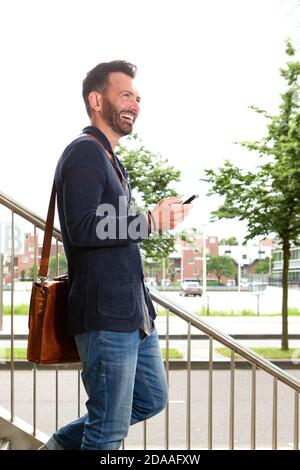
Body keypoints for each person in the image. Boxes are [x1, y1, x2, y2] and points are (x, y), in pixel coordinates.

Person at [42, 60, 193, 450]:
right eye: (125, 94)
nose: (135, 104)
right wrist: (149, 220)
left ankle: (58, 446)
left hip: (132, 315)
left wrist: (153, 220)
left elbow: (112, 228)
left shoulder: (111, 159)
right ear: (96, 100)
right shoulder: (84, 153)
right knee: (108, 433)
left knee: (150, 398)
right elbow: (83, 226)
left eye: (138, 98)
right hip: (107, 317)